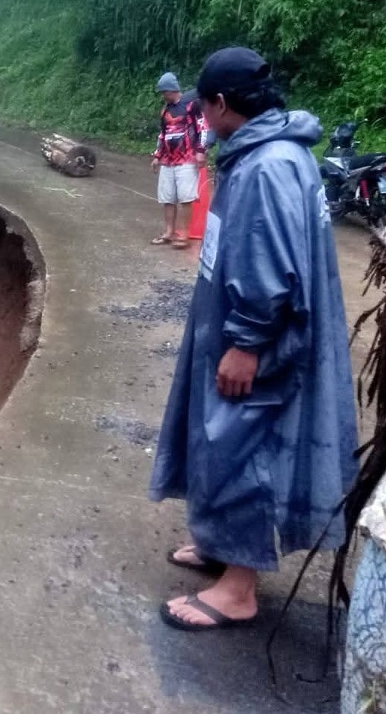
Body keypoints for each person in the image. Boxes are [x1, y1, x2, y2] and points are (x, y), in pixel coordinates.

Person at [148, 47, 358, 632]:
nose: (202, 119)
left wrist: (246, 343)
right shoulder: (277, 152)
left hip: (254, 336)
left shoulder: (267, 167)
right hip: (235, 324)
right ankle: (222, 546)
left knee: (243, 441)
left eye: (204, 106)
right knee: (224, 437)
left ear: (220, 104)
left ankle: (238, 590)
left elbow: (269, 271)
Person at [150, 72, 209, 249]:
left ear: (172, 90)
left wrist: (201, 151)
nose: (163, 96)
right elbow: (163, 134)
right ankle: (169, 232)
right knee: (167, 198)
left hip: (187, 158)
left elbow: (203, 128)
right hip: (168, 160)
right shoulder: (165, 110)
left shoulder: (192, 106)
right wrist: (157, 156)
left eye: (164, 92)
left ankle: (184, 234)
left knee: (186, 198)